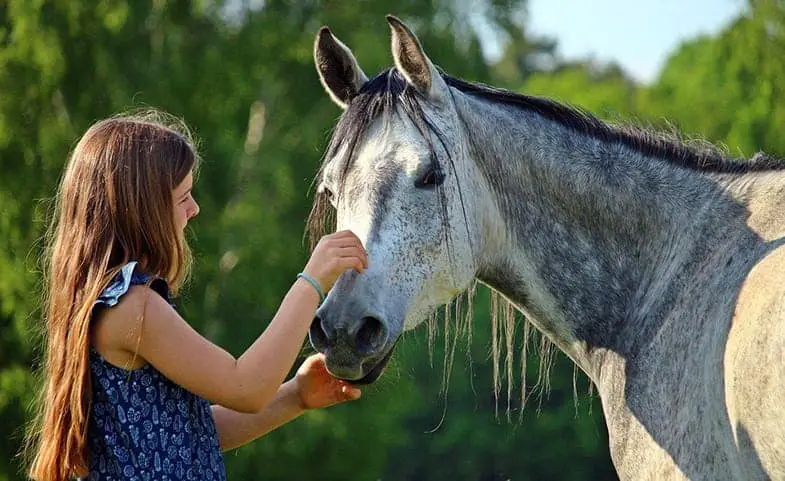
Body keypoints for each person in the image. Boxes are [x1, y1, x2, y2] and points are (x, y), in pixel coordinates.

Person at [25, 111, 367, 481]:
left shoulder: (116, 303)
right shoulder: (133, 308)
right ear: (144, 209)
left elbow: (194, 435)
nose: (194, 209)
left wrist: (295, 396)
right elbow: (246, 386)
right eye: (183, 197)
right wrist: (311, 282)